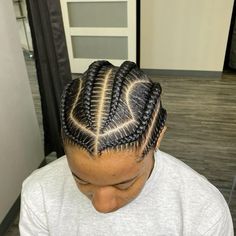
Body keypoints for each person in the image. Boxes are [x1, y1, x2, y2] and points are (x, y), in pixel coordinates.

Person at [19, 61, 234, 235]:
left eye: (124, 184)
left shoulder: (203, 211)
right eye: (82, 179)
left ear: (157, 139)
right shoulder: (38, 192)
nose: (102, 206)